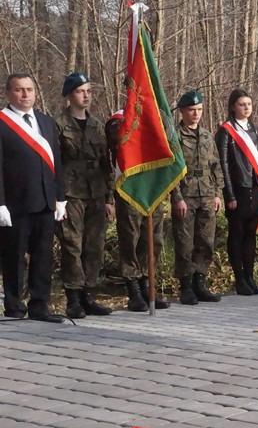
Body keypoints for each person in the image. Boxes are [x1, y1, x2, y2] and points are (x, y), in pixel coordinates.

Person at [0, 73, 66, 322]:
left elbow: (56, 162)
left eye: (29, 89)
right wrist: (0, 203)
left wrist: (60, 197)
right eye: (19, 90)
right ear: (8, 93)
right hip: (15, 203)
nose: (25, 94)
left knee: (43, 256)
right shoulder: (2, 122)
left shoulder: (46, 122)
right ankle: (14, 306)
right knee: (14, 257)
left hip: (45, 201)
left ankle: (40, 306)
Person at [55, 72, 114, 318]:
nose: (86, 96)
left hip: (96, 192)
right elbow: (54, 163)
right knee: (72, 245)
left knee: (94, 245)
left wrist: (109, 198)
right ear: (69, 95)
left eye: (89, 91)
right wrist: (58, 198)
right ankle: (73, 298)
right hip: (71, 192)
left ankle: (89, 293)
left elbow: (106, 163)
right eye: (80, 91)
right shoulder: (58, 124)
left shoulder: (97, 125)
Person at [106, 109, 169, 311]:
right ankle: (133, 289)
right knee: (130, 239)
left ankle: (146, 285)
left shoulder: (159, 116)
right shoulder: (119, 119)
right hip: (130, 189)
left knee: (153, 239)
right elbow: (118, 141)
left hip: (152, 187)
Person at [170, 90, 223, 305]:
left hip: (207, 194)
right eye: (192, 110)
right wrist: (177, 197)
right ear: (182, 111)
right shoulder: (176, 136)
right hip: (186, 195)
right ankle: (186, 286)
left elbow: (215, 165)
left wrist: (218, 193)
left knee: (205, 241)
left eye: (199, 109)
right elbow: (172, 169)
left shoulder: (207, 135)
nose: (196, 114)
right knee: (185, 243)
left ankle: (200, 283)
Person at [216, 87, 258, 295]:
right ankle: (239, 279)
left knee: (251, 235)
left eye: (248, 104)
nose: (246, 108)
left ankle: (250, 277)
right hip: (238, 190)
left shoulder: (255, 130)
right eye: (241, 104)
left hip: (255, 188)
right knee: (237, 234)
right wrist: (229, 194)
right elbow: (224, 165)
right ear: (233, 107)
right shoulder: (226, 132)